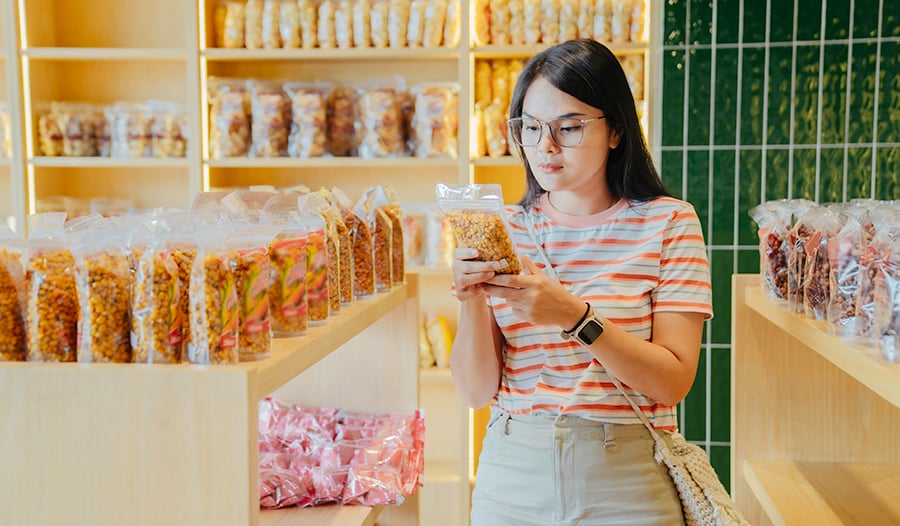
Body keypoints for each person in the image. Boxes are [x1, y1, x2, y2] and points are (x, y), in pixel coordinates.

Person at [449, 39, 713, 525]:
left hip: (627, 478)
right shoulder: (502, 228)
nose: (544, 147)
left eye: (568, 128)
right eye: (530, 128)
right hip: (512, 476)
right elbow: (474, 391)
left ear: (615, 130)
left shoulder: (669, 223)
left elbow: (673, 381)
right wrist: (470, 299)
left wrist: (576, 317)